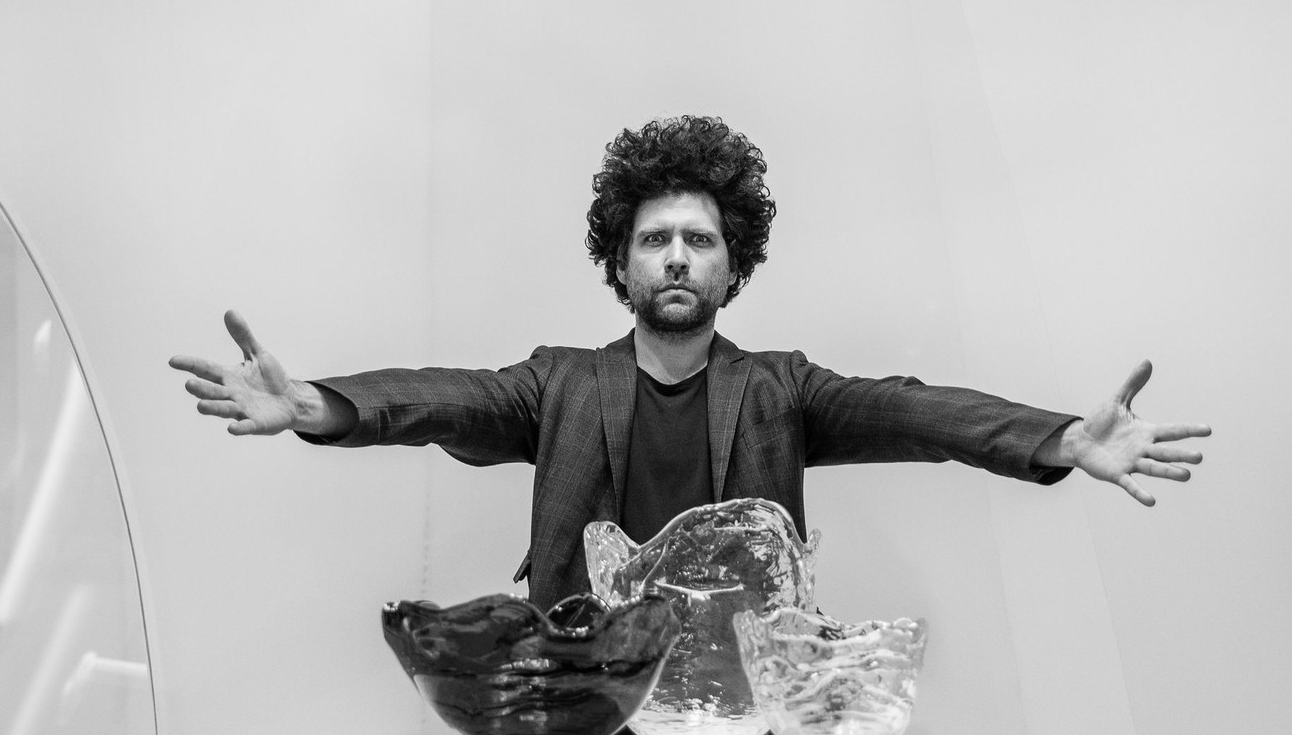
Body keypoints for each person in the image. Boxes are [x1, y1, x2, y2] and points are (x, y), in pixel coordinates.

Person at [171, 115, 1207, 609]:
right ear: (620, 264)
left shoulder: (780, 390)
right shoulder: (559, 384)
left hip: (744, 700)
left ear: (732, 265)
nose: (676, 256)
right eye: (656, 239)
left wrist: (1059, 440)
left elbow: (914, 412)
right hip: (586, 695)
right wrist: (321, 405)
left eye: (700, 240)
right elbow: (442, 400)